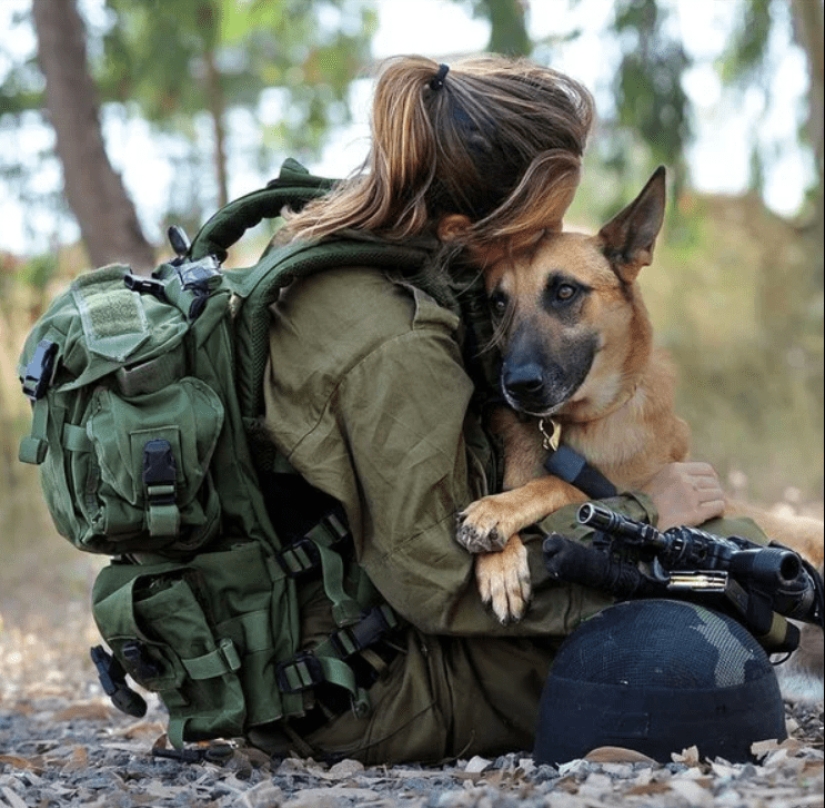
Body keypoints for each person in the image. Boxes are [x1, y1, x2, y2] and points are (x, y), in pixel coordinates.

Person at [255, 54, 760, 764]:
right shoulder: (389, 337)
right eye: (542, 217)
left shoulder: (380, 264)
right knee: (724, 579)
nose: (552, 235)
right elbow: (437, 577)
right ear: (470, 223)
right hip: (367, 692)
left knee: (734, 546)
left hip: (347, 642)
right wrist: (647, 522)